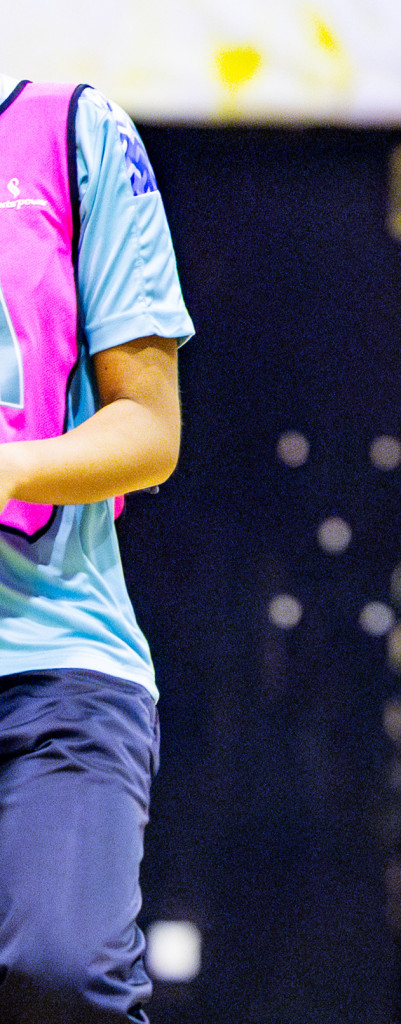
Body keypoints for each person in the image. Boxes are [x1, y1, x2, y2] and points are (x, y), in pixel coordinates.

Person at [0, 76, 192, 1022]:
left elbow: (149, 432)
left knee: (61, 974)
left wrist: (6, 471)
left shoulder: (68, 131)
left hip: (54, 658)